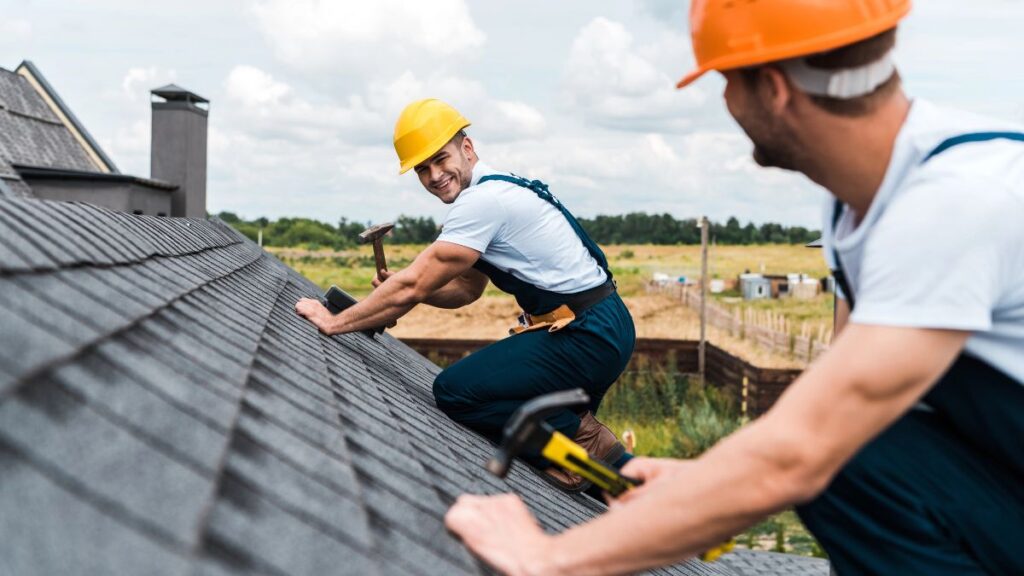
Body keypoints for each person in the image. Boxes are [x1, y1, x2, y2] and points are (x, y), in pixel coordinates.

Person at [444, 1, 1024, 574]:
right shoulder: (859, 204)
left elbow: (808, 447)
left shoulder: (950, 204)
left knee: (846, 459)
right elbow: (835, 395)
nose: (724, 102)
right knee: (853, 460)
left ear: (772, 88)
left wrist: (548, 558)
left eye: (725, 81)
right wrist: (707, 479)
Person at [295, 98, 636, 490]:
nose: (435, 175)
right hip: (602, 326)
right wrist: (412, 290)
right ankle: (635, 496)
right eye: (423, 169)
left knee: (458, 392)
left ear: (468, 148)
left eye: (441, 159)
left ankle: (584, 441)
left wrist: (336, 322)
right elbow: (465, 290)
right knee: (585, 457)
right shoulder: (496, 193)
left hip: (585, 335)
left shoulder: (482, 203)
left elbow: (413, 283)